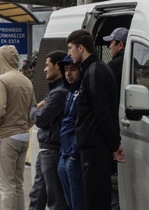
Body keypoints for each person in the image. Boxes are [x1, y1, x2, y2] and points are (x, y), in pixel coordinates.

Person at [66, 29, 125, 210]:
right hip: (94, 146)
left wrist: (114, 144)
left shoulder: (95, 71)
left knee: (96, 200)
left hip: (95, 147)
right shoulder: (93, 69)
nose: (69, 53)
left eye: (70, 48)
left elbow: (103, 112)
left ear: (81, 48)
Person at [0, 45, 36, 210]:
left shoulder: (2, 80)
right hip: (23, 135)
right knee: (18, 184)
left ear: (1, 59)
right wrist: (23, 126)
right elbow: (33, 111)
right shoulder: (26, 80)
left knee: (6, 186)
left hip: (7, 136)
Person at [28, 50, 69, 210]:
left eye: (47, 65)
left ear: (57, 67)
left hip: (53, 152)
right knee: (37, 195)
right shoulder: (55, 91)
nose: (44, 69)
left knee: (55, 198)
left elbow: (40, 118)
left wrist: (33, 109)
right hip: (46, 150)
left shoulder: (59, 93)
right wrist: (37, 110)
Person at [103, 27, 129, 210]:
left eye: (111, 43)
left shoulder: (113, 66)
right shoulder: (132, 63)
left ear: (120, 45)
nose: (109, 47)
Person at [57, 55, 85, 210]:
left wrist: (74, 153)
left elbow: (82, 124)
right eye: (66, 70)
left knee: (78, 203)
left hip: (74, 153)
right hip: (65, 152)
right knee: (70, 203)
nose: (68, 74)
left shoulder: (82, 93)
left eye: (72, 69)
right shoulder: (69, 93)